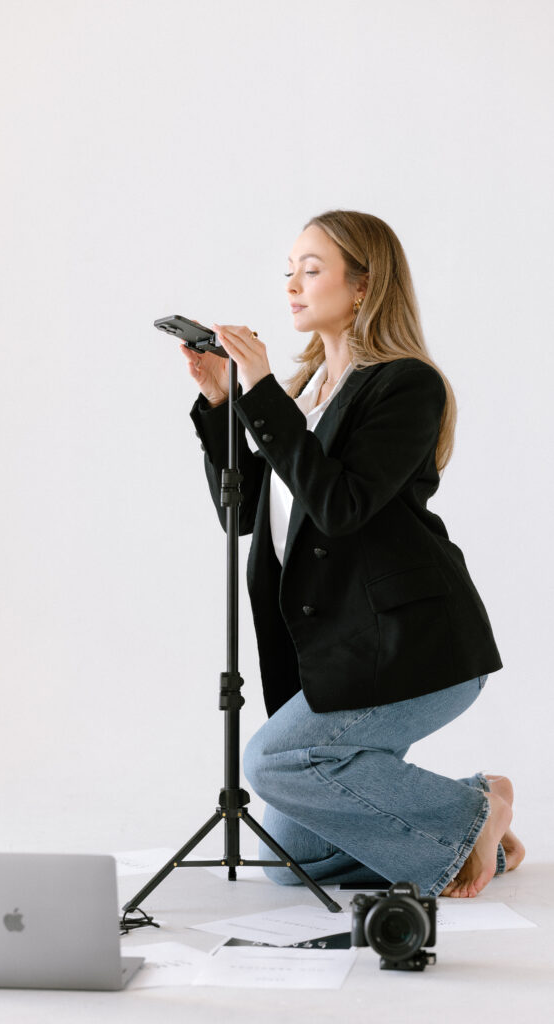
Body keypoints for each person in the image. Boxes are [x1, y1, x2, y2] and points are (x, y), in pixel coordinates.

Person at [182, 209, 525, 899]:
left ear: (364, 287)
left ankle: (468, 818)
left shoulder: (404, 384)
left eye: (312, 270)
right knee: (289, 859)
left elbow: (340, 507)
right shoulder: (305, 396)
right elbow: (243, 516)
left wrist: (262, 395)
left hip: (413, 646)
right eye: (288, 271)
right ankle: (475, 804)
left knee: (273, 761)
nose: (292, 286)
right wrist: (223, 403)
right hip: (345, 649)